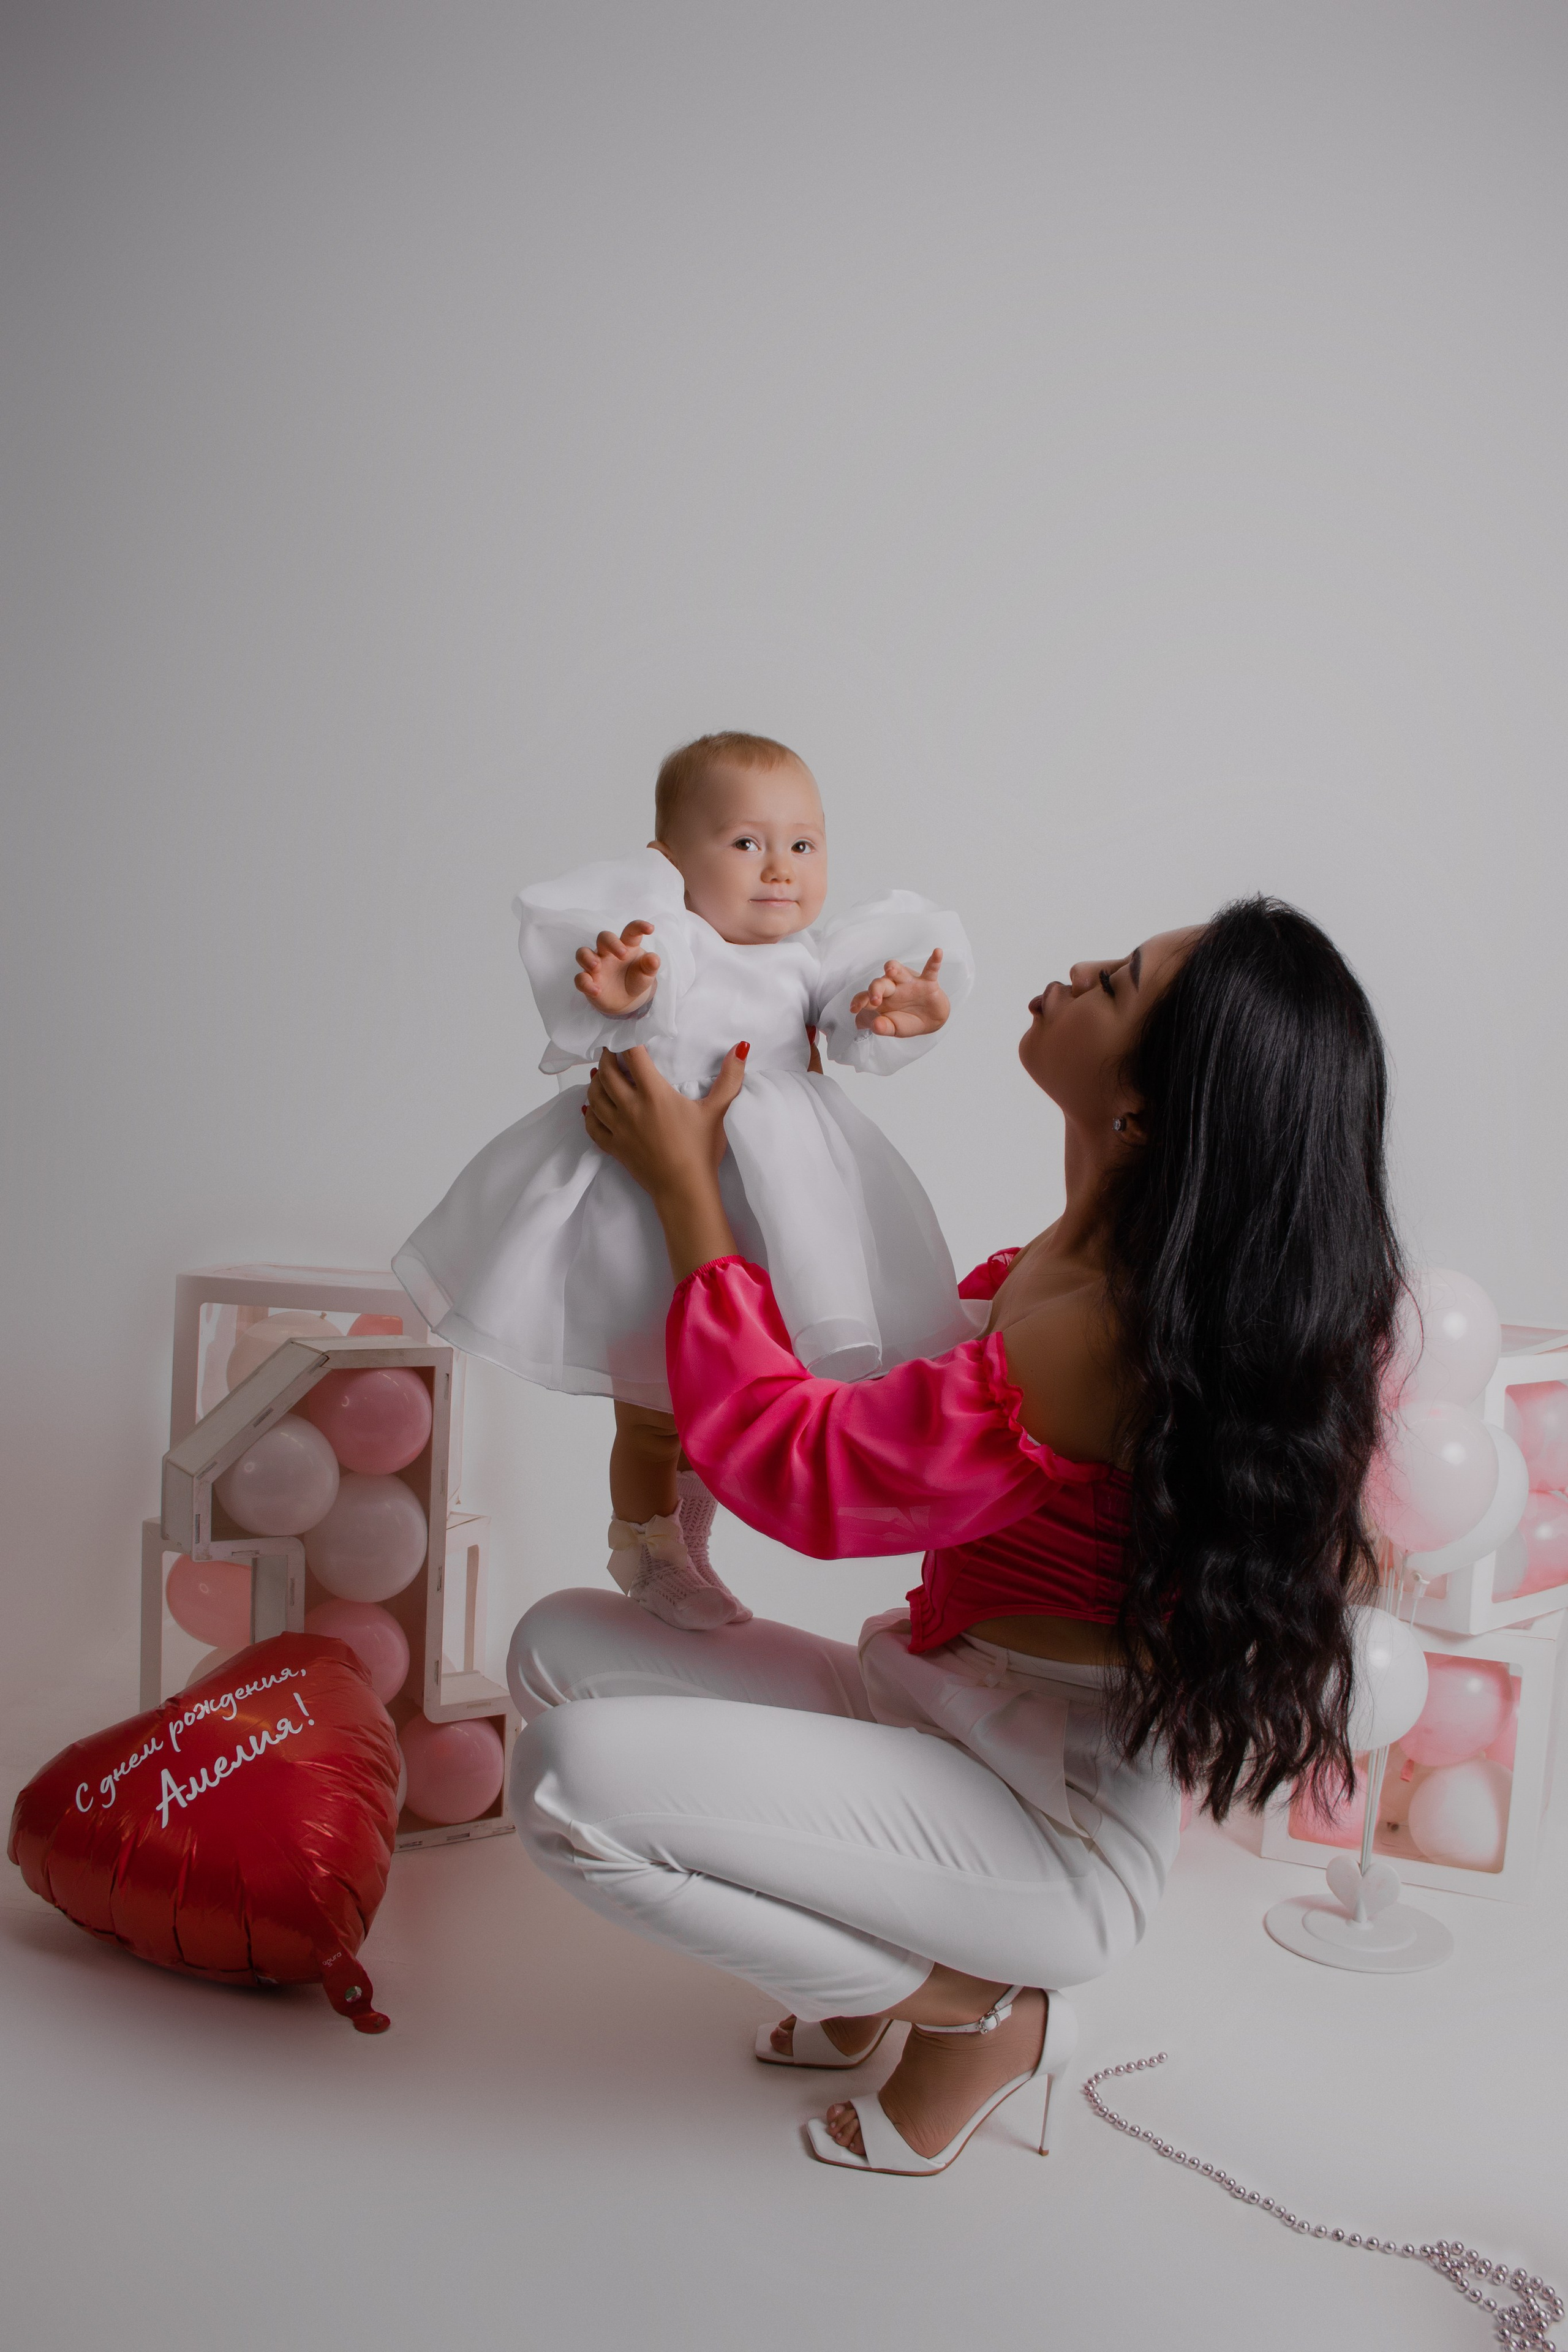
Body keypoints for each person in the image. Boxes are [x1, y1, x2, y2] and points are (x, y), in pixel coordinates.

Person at [506, 898, 1404, 2175]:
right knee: (555, 1648)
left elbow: (808, 1471)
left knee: (566, 1782)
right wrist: (768, 1091)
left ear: (1147, 1109)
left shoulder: (1109, 1336)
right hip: (923, 1707)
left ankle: (979, 2013)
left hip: (1045, 1827)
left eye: (1117, 981)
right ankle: (879, 1971)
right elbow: (858, 1385)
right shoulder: (1053, 1264)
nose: (1077, 967)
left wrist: (683, 1191)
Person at [394, 731, 974, 1631]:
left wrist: (895, 1014)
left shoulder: (812, 960)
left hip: (770, 1213)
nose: (779, 868)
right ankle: (646, 1544)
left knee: (728, 1398)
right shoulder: (678, 942)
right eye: (746, 842)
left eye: (803, 844)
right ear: (670, 862)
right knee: (654, 1412)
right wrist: (626, 996)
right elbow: (638, 995)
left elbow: (855, 1021)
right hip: (648, 1200)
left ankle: (689, 1539)